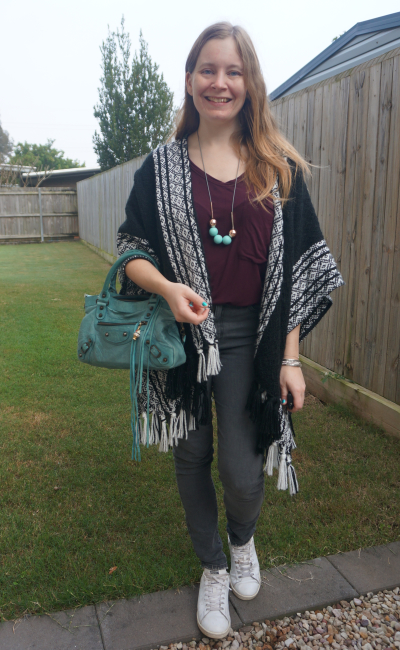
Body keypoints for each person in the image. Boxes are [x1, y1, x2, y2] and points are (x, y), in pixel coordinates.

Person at [116, 23, 344, 639]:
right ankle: (213, 567)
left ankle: (242, 540)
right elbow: (131, 248)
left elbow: (300, 272)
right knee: (191, 454)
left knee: (243, 472)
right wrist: (166, 287)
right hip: (180, 333)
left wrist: (291, 358)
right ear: (190, 80)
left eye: (233, 71)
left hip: (252, 335)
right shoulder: (159, 169)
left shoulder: (279, 168)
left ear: (250, 83)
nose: (220, 82)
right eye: (208, 70)